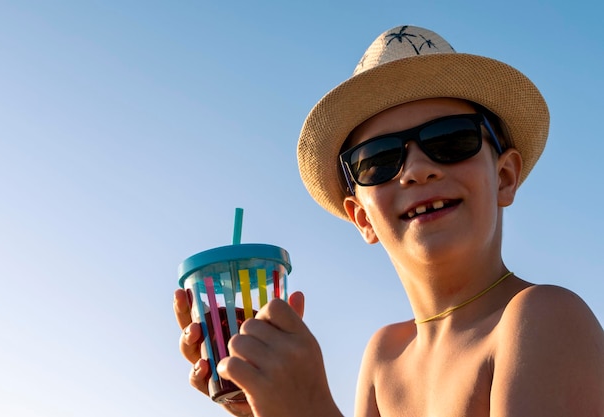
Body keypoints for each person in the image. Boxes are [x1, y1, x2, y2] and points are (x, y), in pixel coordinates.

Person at [174, 25, 604, 416]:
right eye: (378, 160)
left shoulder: (542, 318)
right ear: (362, 218)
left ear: (504, 178)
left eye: (451, 139)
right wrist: (263, 405)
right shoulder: (384, 358)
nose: (416, 168)